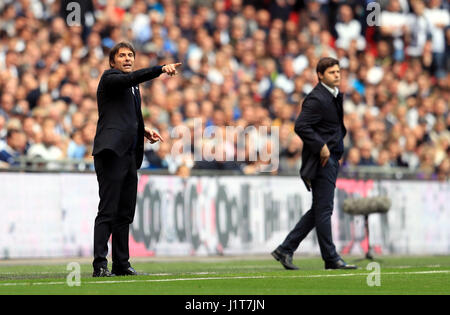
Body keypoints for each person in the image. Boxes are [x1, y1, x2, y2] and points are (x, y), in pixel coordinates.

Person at [92, 41, 181, 277]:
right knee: (108, 211)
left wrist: (144, 131)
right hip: (111, 154)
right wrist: (160, 69)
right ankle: (100, 264)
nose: (127, 59)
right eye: (122, 56)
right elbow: (131, 79)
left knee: (124, 213)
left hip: (130, 155)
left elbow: (127, 115)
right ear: (113, 62)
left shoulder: (132, 88)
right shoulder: (110, 78)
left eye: (130, 55)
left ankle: (121, 263)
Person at [272, 57, 357, 270]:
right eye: (332, 72)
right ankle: (331, 257)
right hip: (321, 160)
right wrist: (322, 146)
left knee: (319, 209)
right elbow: (301, 125)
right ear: (320, 75)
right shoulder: (316, 98)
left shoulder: (333, 95)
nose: (337, 75)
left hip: (330, 158)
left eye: (338, 72)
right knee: (324, 209)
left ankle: (285, 249)